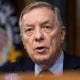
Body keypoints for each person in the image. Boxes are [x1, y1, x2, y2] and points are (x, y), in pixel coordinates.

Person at [0, 1, 80, 75]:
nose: (38, 36)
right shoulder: (6, 73)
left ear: (61, 34)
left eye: (46, 27)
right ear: (23, 41)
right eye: (29, 30)